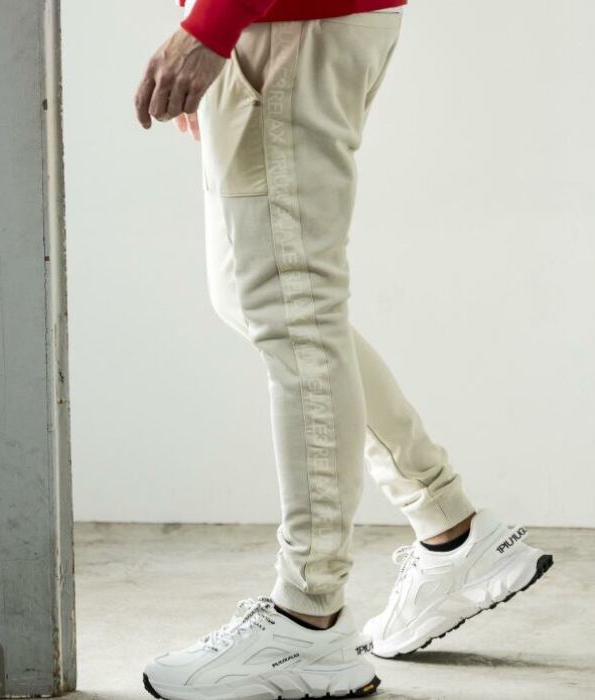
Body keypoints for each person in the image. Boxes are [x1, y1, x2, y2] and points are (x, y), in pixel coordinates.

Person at [134, 1, 554, 698]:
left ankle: (309, 616)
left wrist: (211, 24)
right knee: (257, 296)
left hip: (288, 23)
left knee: (294, 303)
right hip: (276, 24)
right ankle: (449, 526)